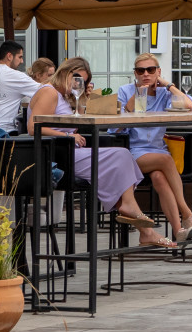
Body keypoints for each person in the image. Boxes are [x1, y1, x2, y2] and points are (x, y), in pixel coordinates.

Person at [29, 58, 169, 247]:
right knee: (120, 155)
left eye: (83, 81)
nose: (78, 83)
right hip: (58, 156)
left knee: (120, 159)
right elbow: (33, 128)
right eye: (76, 77)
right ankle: (135, 217)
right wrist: (68, 137)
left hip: (68, 152)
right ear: (65, 72)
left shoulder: (62, 95)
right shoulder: (49, 92)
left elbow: (78, 120)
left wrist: (83, 99)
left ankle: (144, 229)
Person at [115, 53, 192, 242]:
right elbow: (115, 127)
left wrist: (169, 85)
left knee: (159, 177)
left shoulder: (165, 94)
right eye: (141, 70)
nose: (146, 74)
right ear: (135, 73)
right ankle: (187, 213)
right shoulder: (125, 91)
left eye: (151, 70)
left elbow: (190, 105)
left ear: (158, 72)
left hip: (157, 151)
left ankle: (179, 230)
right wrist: (137, 95)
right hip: (132, 153)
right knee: (165, 160)